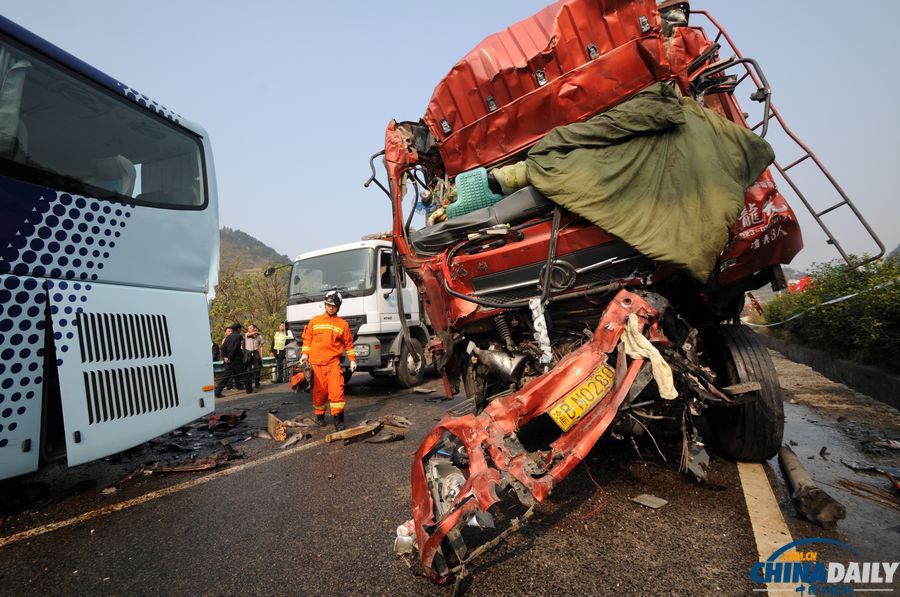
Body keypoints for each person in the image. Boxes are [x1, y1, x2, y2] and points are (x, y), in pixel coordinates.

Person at [300, 290, 356, 430]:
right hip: (316, 364)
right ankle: (319, 417)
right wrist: (304, 354)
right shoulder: (315, 321)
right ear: (325, 305)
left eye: (334, 306)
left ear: (338, 307)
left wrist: (353, 359)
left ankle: (339, 421)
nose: (331, 307)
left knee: (337, 391)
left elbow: (348, 343)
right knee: (319, 393)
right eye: (329, 305)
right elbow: (307, 339)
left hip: (332, 364)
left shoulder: (343, 324)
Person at [215, 323, 252, 397]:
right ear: (238, 329)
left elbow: (223, 348)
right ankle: (249, 389)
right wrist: (230, 357)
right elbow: (235, 348)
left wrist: (225, 357)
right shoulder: (238, 336)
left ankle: (217, 391)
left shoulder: (228, 337)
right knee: (244, 374)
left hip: (228, 360)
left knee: (226, 376)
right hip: (236, 359)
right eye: (240, 329)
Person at [243, 323, 265, 389]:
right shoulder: (247, 334)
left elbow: (262, 346)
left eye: (250, 328)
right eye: (248, 328)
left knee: (257, 369)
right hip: (248, 353)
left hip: (256, 353)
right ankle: (249, 385)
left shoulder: (259, 336)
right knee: (248, 370)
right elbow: (250, 334)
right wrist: (256, 332)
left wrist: (261, 356)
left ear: (254, 328)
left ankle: (257, 384)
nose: (248, 329)